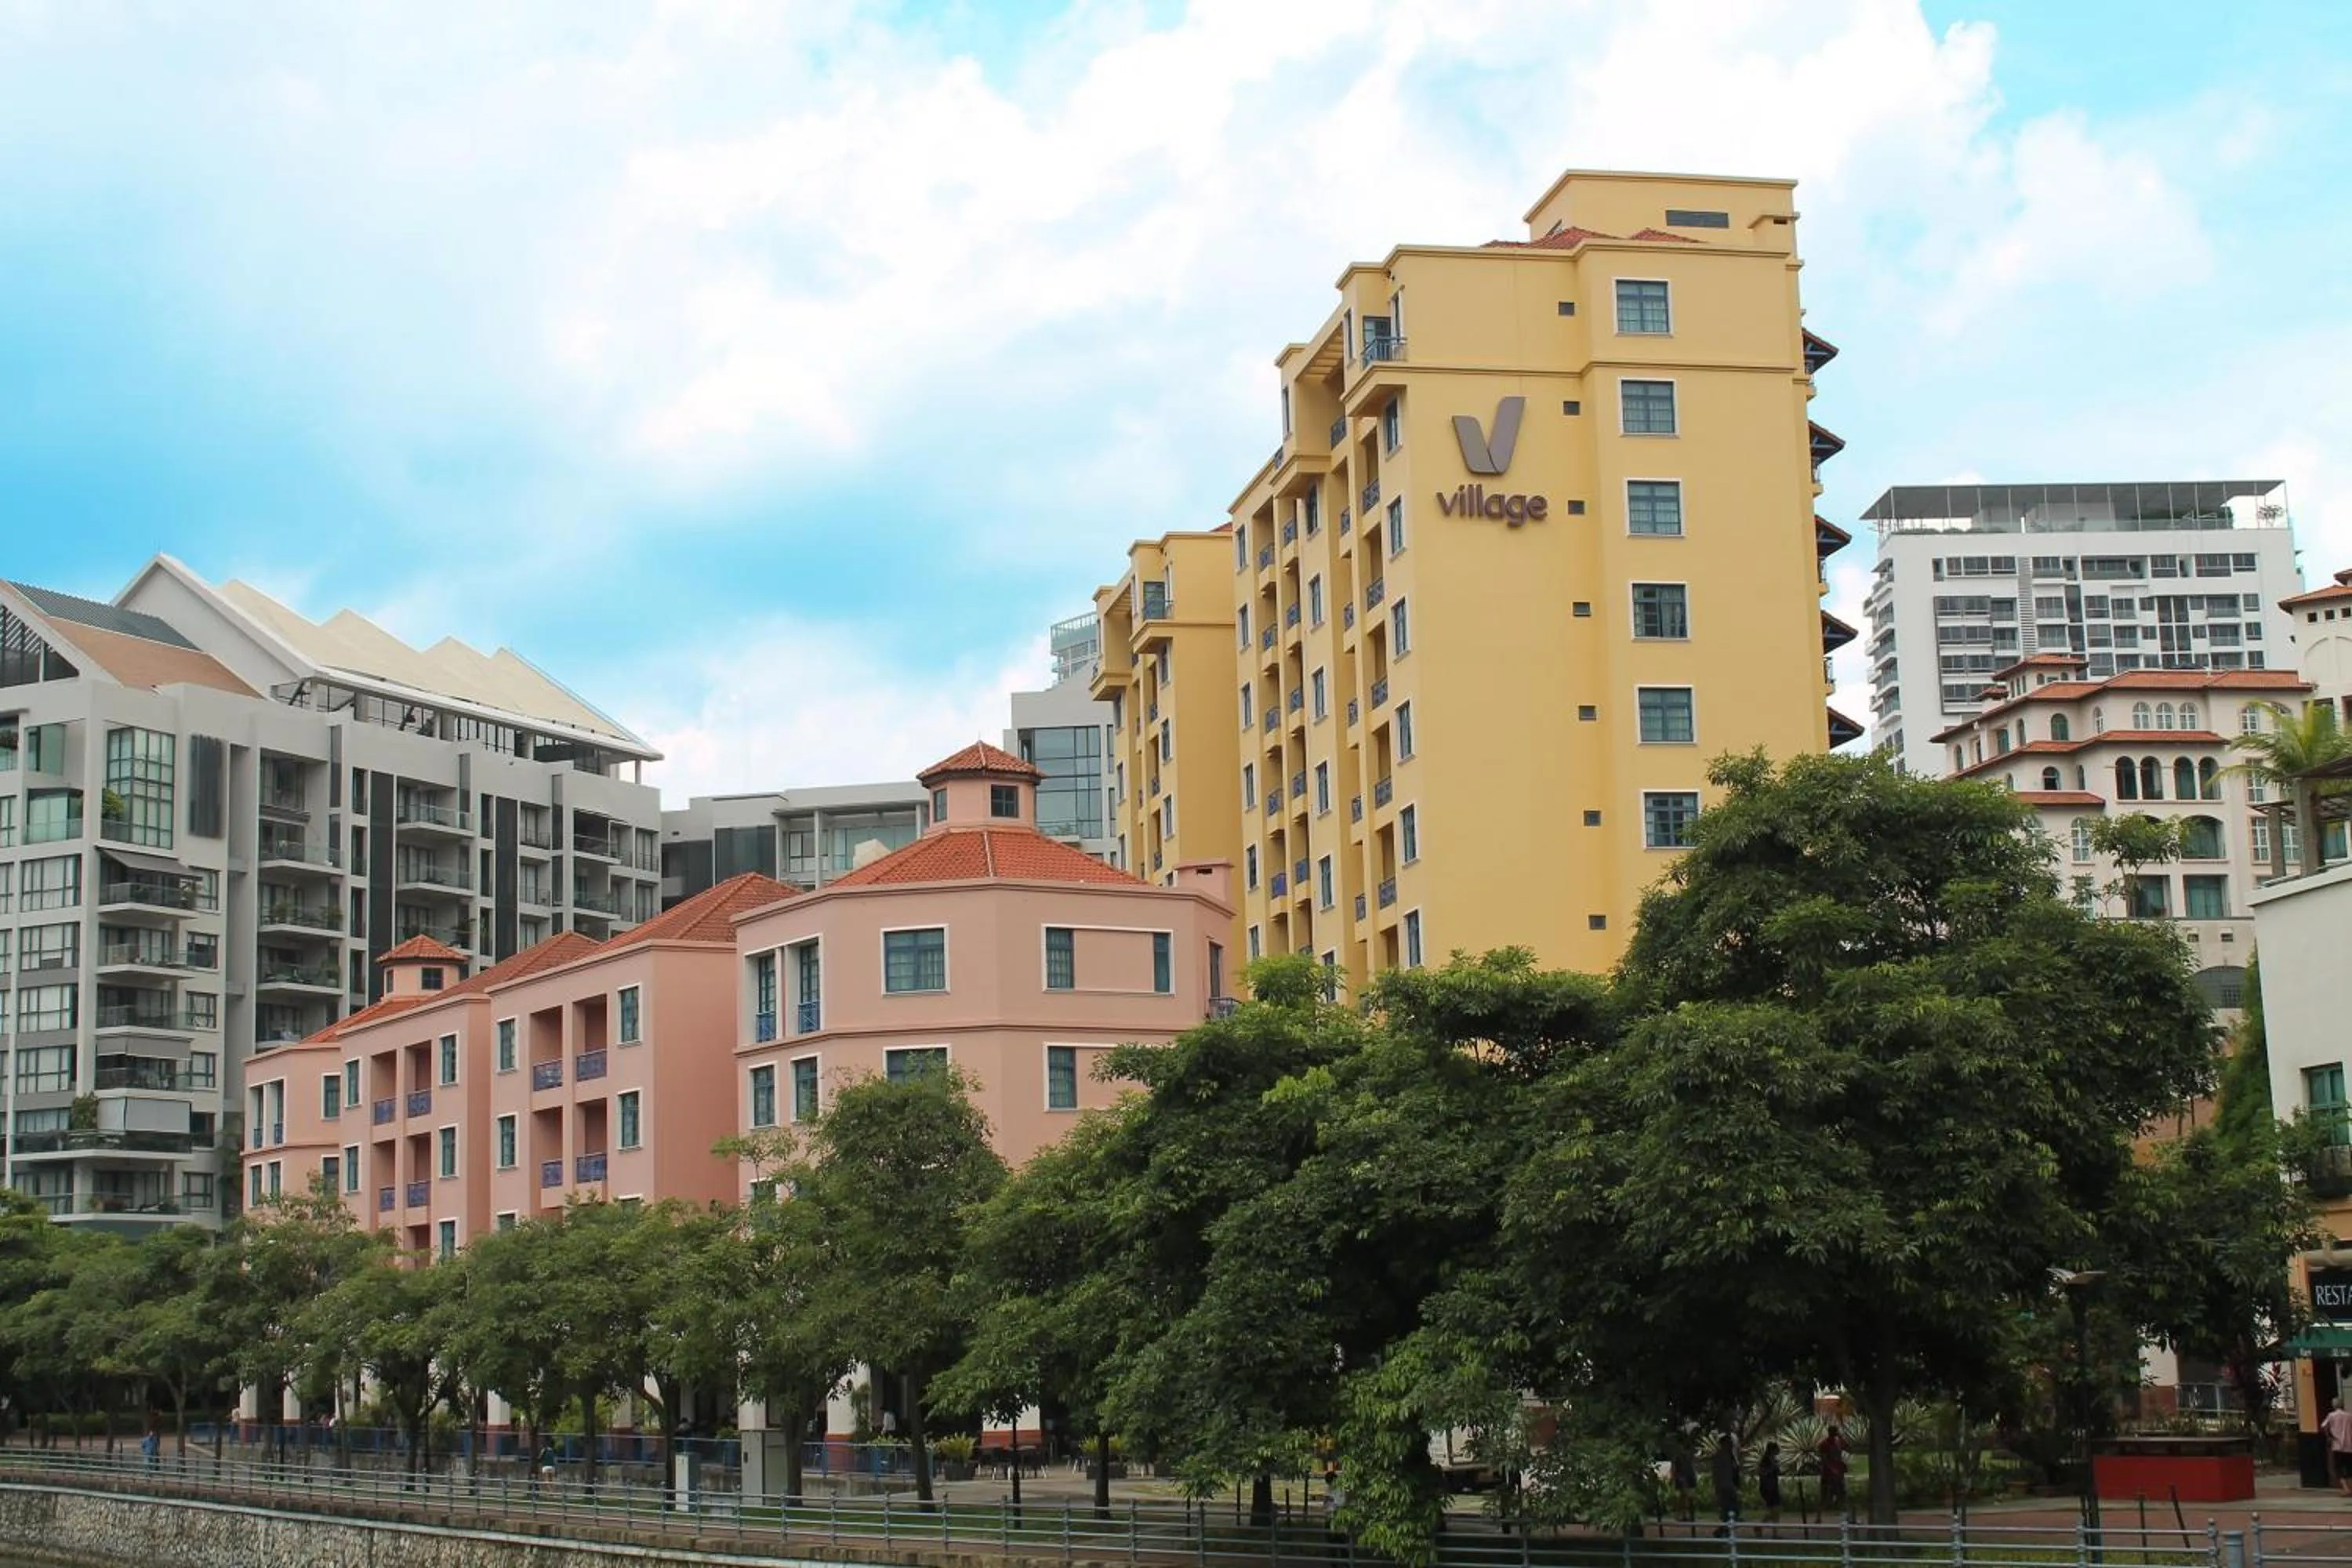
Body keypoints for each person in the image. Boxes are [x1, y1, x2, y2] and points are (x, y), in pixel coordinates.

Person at [1710, 1432, 1740, 1531]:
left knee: (1734, 1510)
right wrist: (1717, 1489)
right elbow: (1716, 1474)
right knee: (1727, 1511)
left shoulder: (1730, 1456)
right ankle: (1723, 1531)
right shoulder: (1719, 1457)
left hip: (1730, 1486)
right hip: (1724, 1487)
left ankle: (1724, 1530)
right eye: (1729, 1443)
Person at [1817, 1422, 1849, 1515]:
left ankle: (1845, 1515)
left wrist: (1841, 1437)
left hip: (1838, 1473)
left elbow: (1848, 1447)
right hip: (1828, 1474)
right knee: (1825, 1496)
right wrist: (1832, 1469)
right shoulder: (1824, 1444)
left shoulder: (1838, 1443)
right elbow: (1824, 1459)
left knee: (1842, 1494)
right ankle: (1818, 1516)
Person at [2325, 1396, 2352, 1497]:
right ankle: (2350, 1487)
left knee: (2338, 1468)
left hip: (2337, 1445)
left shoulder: (2331, 1416)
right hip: (2349, 1445)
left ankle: (2346, 1488)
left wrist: (2329, 1437)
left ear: (2334, 1405)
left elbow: (2324, 1426)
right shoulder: (2350, 1415)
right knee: (2350, 1468)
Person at [1668, 1436, 1698, 1523]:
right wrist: (1674, 1478)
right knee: (1684, 1496)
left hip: (1688, 1476)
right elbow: (1674, 1468)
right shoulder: (1678, 1456)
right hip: (1682, 1477)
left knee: (1687, 1497)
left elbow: (1691, 1466)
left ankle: (1686, 1514)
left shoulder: (1688, 1455)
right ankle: (1682, 1515)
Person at [1757, 1442, 1782, 1524]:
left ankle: (1774, 1532)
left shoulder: (1774, 1460)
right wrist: (1772, 1469)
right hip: (1767, 1488)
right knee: (1773, 1510)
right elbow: (1762, 1473)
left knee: (1776, 1511)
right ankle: (1760, 1525)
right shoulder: (1765, 1461)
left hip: (1774, 1487)